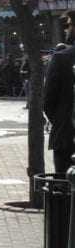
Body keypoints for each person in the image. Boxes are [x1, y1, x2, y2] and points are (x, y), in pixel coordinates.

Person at [43, 10, 75, 173]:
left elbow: (48, 101)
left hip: (67, 135)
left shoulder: (62, 58)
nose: (66, 30)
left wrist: (61, 120)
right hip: (66, 131)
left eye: (69, 25)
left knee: (64, 185)